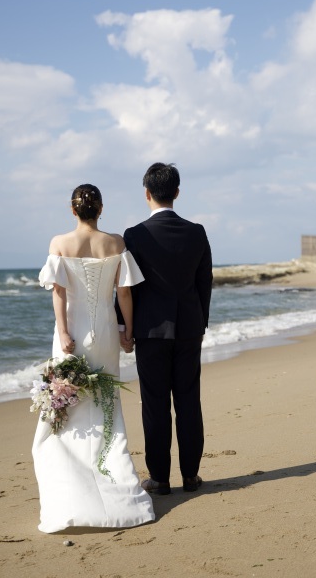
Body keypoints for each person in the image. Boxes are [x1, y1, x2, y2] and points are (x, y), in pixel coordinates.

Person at [32, 184, 155, 533]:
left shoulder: (59, 243)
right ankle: (111, 480)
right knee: (106, 405)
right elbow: (125, 292)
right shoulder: (115, 243)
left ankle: (73, 490)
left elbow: (58, 293)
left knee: (68, 407)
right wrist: (127, 330)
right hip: (104, 330)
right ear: (101, 209)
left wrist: (64, 333)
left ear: (73, 211)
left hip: (70, 332)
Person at [116, 163, 213, 495]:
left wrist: (124, 329)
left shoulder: (135, 234)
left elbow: (128, 287)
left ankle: (159, 479)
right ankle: (190, 476)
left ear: (147, 193)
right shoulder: (197, 231)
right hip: (188, 328)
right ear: (177, 193)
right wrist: (201, 322)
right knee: (188, 401)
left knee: (154, 404)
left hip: (149, 330)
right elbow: (205, 283)